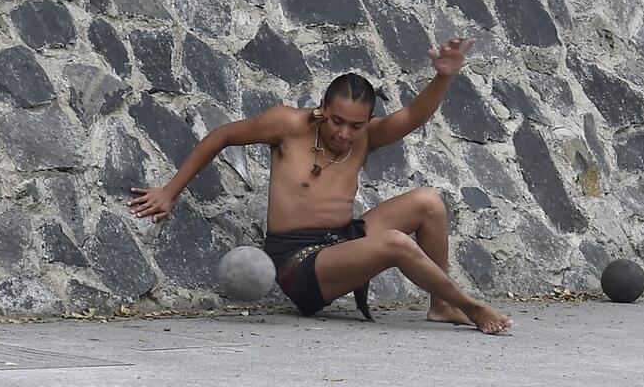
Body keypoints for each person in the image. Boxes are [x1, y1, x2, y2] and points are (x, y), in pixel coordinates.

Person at [128, 37, 513, 334]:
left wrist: (443, 76)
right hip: (298, 265)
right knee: (395, 243)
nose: (344, 134)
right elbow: (222, 136)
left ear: (368, 122)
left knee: (429, 201)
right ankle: (469, 304)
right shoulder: (287, 125)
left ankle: (442, 306)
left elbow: (413, 114)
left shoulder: (365, 137)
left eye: (356, 126)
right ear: (322, 109)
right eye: (336, 121)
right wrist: (170, 191)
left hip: (341, 240)